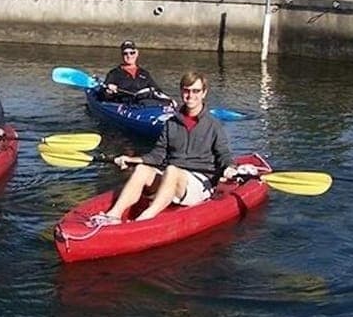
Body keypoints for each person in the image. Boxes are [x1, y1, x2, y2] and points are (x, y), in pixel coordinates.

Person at [88, 71, 239, 226]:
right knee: (142, 169)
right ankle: (113, 215)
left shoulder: (213, 125)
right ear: (181, 92)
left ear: (204, 93)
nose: (190, 95)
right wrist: (131, 159)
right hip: (171, 177)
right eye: (186, 90)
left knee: (172, 170)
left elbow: (224, 155)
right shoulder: (171, 123)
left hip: (199, 183)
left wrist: (229, 167)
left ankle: (145, 219)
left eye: (196, 91)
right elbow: (157, 155)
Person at [101, 39, 174, 106]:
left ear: (136, 53)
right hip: (124, 106)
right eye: (125, 53)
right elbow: (103, 94)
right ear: (122, 55)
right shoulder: (114, 73)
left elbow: (157, 91)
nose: (129, 56)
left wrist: (169, 100)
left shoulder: (144, 74)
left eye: (132, 53)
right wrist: (109, 91)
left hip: (144, 105)